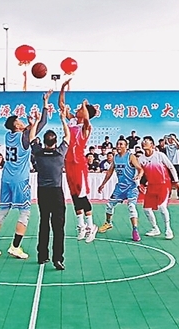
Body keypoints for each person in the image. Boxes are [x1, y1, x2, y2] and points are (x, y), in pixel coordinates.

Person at [0, 91, 50, 259]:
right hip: (20, 180)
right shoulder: (24, 137)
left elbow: (29, 130)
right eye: (18, 120)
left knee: (3, 209)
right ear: (16, 125)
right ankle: (15, 247)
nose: (21, 121)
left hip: (6, 178)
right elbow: (43, 122)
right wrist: (44, 104)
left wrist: (30, 125)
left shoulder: (8, 135)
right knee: (25, 212)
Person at [58, 79, 98, 241]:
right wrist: (62, 88)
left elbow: (87, 119)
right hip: (68, 163)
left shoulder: (86, 127)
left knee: (82, 196)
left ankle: (91, 226)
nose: (77, 110)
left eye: (80, 109)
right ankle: (81, 226)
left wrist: (84, 106)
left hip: (79, 164)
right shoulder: (72, 120)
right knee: (74, 196)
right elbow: (61, 104)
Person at [30, 107, 70, 270]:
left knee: (44, 222)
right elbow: (68, 136)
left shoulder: (38, 153)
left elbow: (31, 137)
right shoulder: (60, 153)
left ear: (44, 141)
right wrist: (63, 119)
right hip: (56, 192)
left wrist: (36, 122)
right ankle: (58, 258)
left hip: (42, 192)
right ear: (55, 142)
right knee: (58, 227)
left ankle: (42, 255)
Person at [97, 138, 144, 241]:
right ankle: (108, 223)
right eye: (117, 144)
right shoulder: (115, 158)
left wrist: (139, 176)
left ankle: (135, 230)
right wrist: (103, 184)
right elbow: (110, 172)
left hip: (131, 187)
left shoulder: (130, 156)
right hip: (120, 187)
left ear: (126, 146)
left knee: (131, 207)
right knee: (109, 205)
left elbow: (140, 169)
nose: (118, 146)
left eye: (121, 144)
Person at [138, 136, 179, 240]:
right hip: (151, 186)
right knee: (146, 209)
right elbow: (137, 174)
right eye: (143, 142)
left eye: (146, 141)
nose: (144, 143)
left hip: (164, 184)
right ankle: (155, 228)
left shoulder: (160, 155)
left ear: (152, 145)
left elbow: (171, 167)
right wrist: (138, 184)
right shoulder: (141, 159)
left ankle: (168, 229)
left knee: (162, 207)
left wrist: (176, 181)